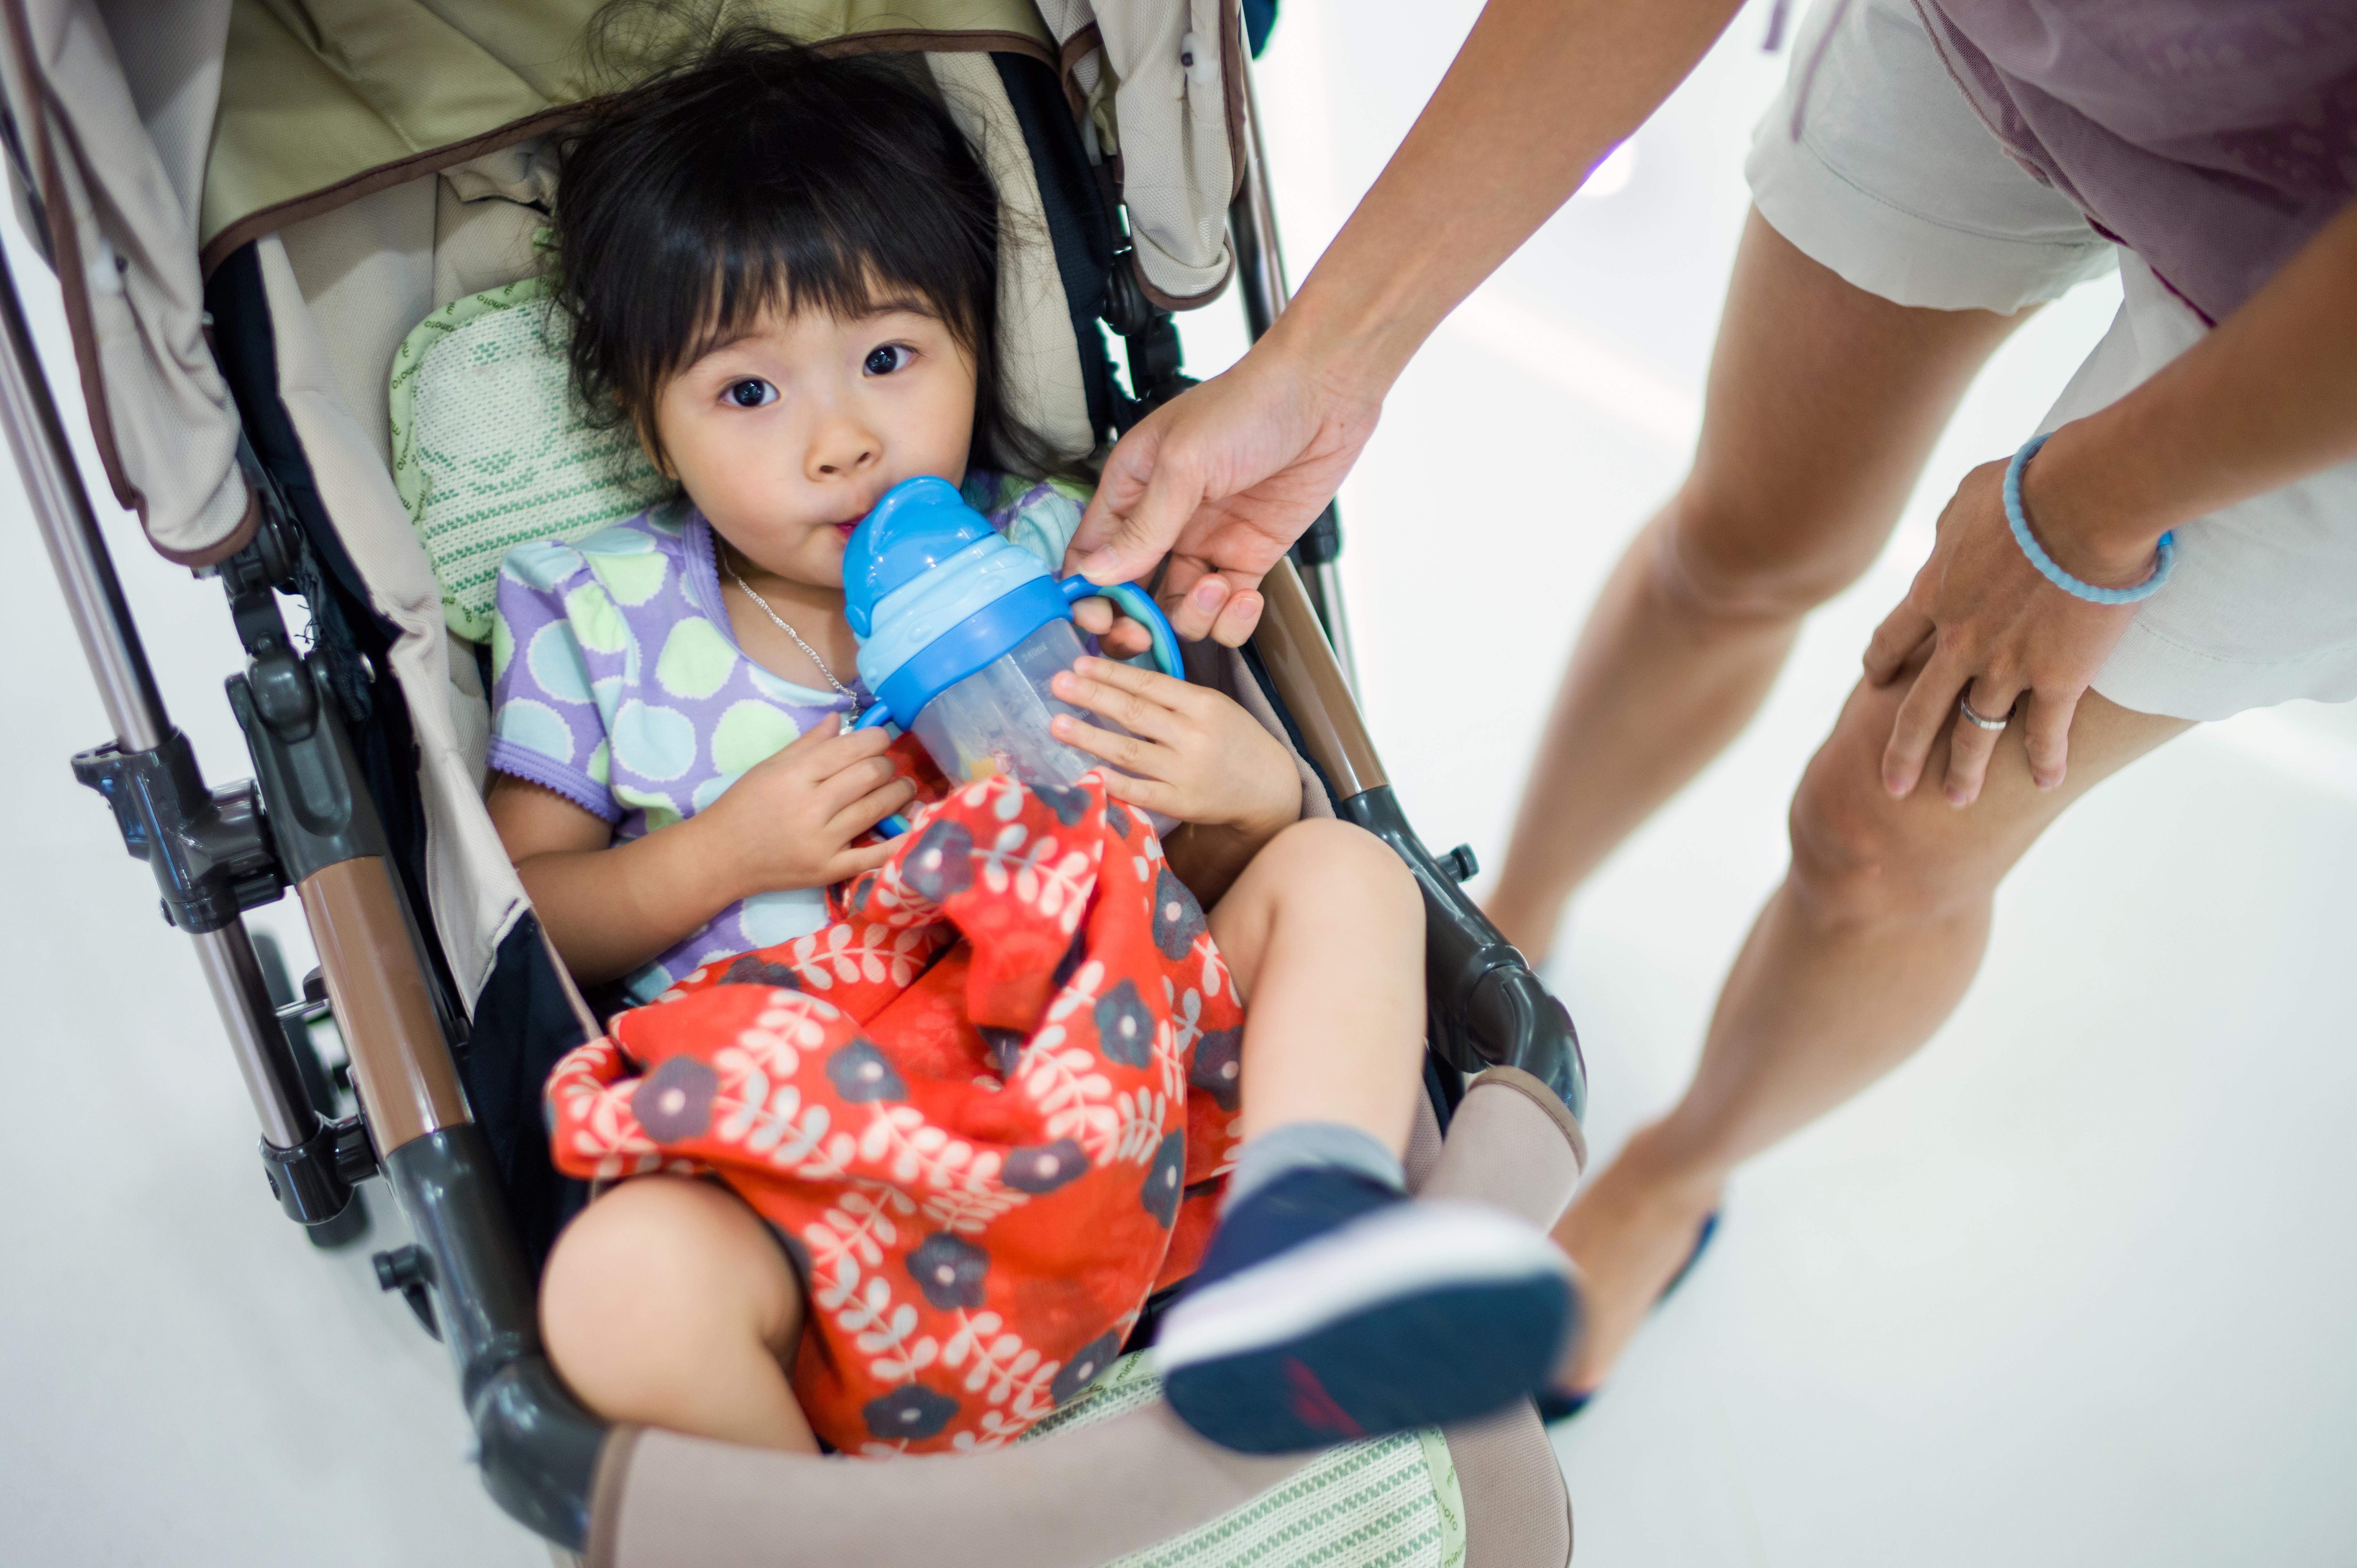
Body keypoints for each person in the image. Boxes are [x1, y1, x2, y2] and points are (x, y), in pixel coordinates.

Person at [1068, 0, 2357, 1410]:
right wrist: (1329, 361)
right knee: (1744, 546)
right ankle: (1514, 932)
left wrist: (2086, 514)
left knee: (1889, 838)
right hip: (2000, 41)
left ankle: (1671, 1178)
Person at [482, 33, 1575, 1457]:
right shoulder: (601, 618)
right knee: (620, 1289)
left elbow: (1190, 874)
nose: (840, 442)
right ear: (650, 422)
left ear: (975, 344)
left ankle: (1303, 1249)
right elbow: (523, 915)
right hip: (828, 1177)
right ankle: (844, 1532)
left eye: (887, 357)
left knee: (1343, 873)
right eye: (748, 393)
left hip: (1115, 1084)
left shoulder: (1059, 550)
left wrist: (1240, 794)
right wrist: (716, 856)